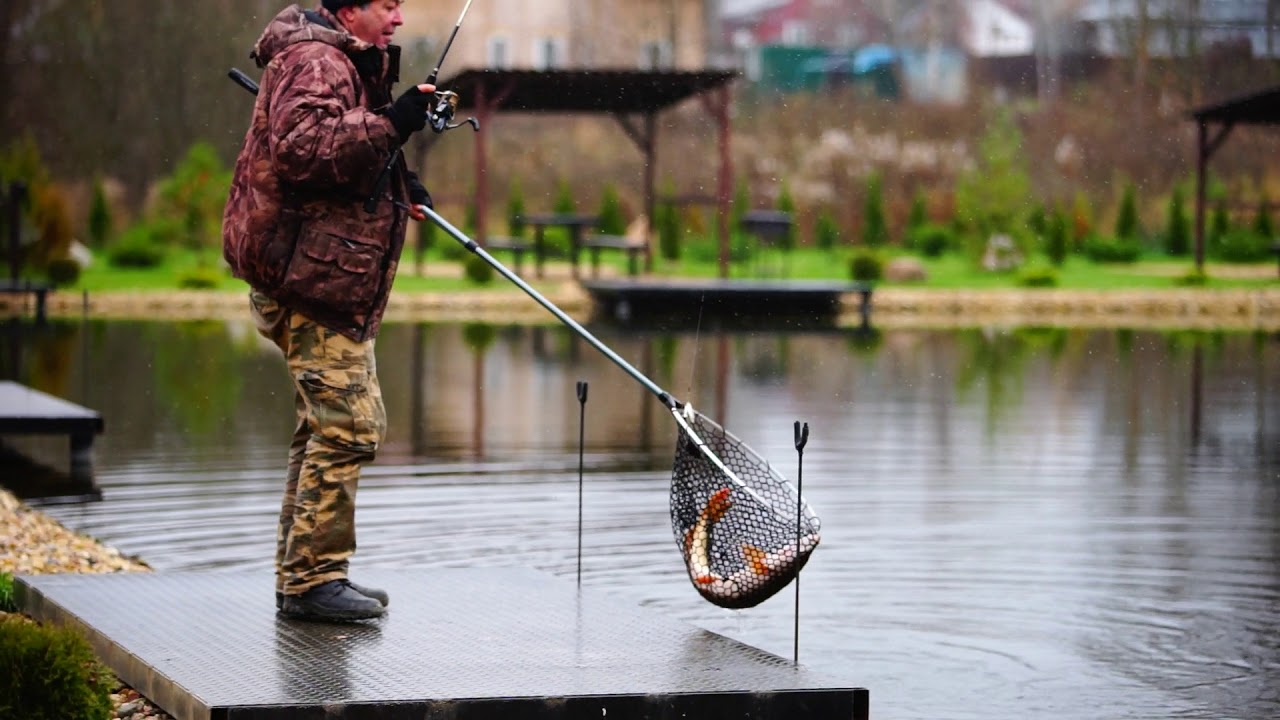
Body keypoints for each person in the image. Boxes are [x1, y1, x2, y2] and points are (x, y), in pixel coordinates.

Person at [222, 0, 436, 622]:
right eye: (388, 5)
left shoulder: (341, 58)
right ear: (350, 8)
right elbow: (305, 152)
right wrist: (395, 122)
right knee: (351, 426)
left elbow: (344, 144)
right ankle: (313, 583)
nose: (398, 19)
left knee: (323, 427)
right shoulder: (318, 59)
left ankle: (306, 577)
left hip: (318, 274)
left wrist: (399, 174)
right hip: (309, 278)